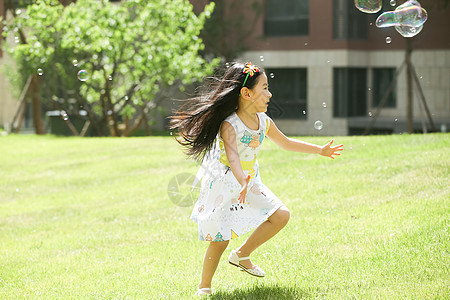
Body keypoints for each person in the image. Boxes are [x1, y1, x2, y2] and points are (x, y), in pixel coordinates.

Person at [169, 62, 343, 296]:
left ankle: (241, 254)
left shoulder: (264, 121)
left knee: (280, 215)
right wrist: (241, 180)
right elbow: (232, 158)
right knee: (220, 238)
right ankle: (204, 287)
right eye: (264, 88)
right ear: (246, 93)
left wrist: (319, 150)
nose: (270, 93)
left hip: (248, 180)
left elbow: (287, 143)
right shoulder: (230, 124)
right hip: (227, 181)